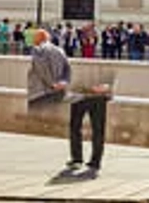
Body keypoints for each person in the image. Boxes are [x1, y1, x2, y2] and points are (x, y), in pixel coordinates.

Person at [26, 28, 109, 173]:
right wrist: (63, 81)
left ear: (39, 39)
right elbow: (67, 70)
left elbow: (42, 70)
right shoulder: (60, 50)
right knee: (97, 129)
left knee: (75, 127)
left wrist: (53, 84)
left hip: (78, 92)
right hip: (95, 92)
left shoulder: (39, 50)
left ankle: (77, 159)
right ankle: (95, 162)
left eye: (34, 38)